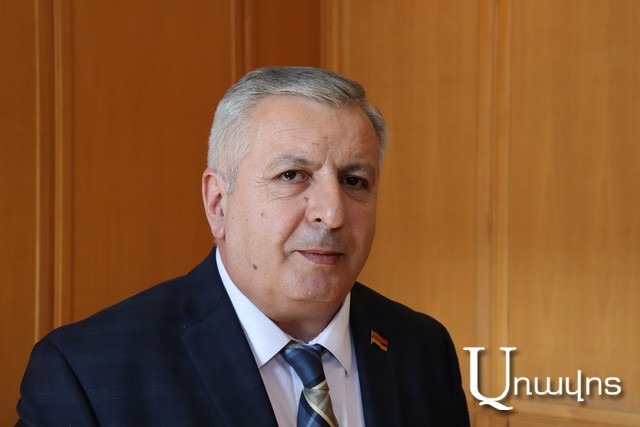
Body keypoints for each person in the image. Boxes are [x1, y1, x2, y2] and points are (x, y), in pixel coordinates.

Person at [16, 66, 470, 426]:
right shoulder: (86, 373)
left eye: (354, 181)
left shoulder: (423, 349)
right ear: (218, 203)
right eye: (292, 175)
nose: (332, 214)